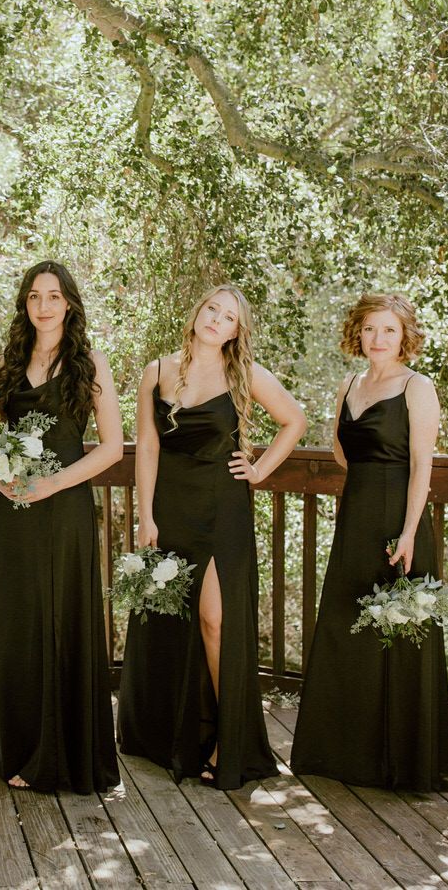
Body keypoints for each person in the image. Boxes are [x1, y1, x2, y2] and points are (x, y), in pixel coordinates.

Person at [118, 285, 305, 788]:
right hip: (171, 508)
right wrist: (146, 516)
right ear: (197, 311)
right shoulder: (156, 371)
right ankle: (170, 737)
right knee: (171, 620)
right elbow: (148, 449)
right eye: (211, 310)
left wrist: (261, 469)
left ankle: (230, 740)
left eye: (228, 317)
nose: (216, 320)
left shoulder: (245, 374)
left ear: (236, 331)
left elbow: (295, 421)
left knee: (215, 620)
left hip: (223, 507)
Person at [0, 261, 122, 793]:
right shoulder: (9, 364)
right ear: (25, 306)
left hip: (63, 508)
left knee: (57, 616)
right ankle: (5, 747)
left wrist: (54, 484)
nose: (44, 306)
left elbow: (113, 448)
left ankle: (54, 756)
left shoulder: (90, 363)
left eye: (53, 296)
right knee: (14, 619)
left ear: (68, 303)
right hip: (11, 508)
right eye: (34, 297)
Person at [290, 292, 448, 790]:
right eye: (369, 329)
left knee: (399, 631)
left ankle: (402, 762)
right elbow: (342, 451)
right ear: (357, 334)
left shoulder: (418, 386)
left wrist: (408, 532)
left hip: (397, 522)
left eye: (388, 330)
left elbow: (423, 466)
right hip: (356, 516)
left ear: (404, 335)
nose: (378, 339)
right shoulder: (349, 384)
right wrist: (367, 475)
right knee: (350, 628)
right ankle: (347, 755)